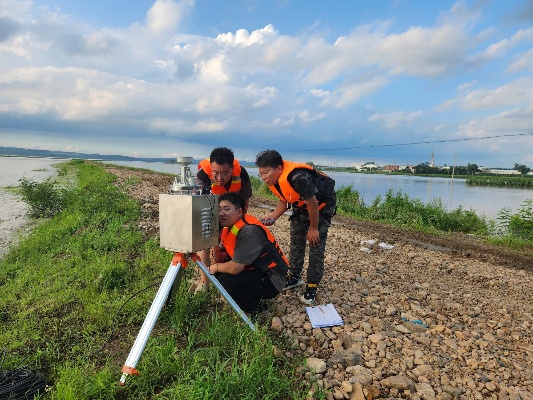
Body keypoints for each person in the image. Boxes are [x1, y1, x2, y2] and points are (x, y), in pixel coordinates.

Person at [255, 149, 336, 305]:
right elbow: (285, 200)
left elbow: (313, 205)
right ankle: (294, 277)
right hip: (303, 207)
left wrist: (313, 229)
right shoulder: (276, 180)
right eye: (261, 174)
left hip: (321, 207)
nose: (264, 178)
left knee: (315, 244)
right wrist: (273, 217)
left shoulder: (299, 177)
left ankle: (312, 285)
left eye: (266, 173)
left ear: (278, 168)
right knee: (296, 240)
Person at [207, 192, 288, 315]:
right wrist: (214, 240)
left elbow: (235, 269)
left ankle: (256, 310)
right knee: (219, 272)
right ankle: (252, 297)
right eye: (219, 209)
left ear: (239, 212)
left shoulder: (249, 231)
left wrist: (214, 267)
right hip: (256, 271)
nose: (221, 213)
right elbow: (219, 259)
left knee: (225, 280)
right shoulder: (228, 228)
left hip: (273, 279)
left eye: (226, 209)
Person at [194, 147, 253, 293]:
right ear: (211, 169)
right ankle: (204, 281)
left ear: (232, 169)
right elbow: (198, 206)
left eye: (224, 173)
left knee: (232, 239)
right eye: (215, 173)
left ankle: (220, 270)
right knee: (206, 241)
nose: (219, 178)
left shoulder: (241, 174)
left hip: (231, 210)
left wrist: (241, 220)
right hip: (210, 209)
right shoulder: (203, 176)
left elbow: (245, 200)